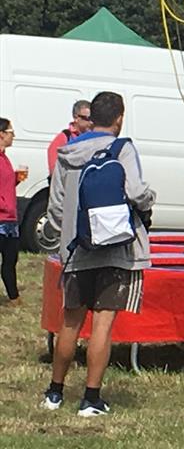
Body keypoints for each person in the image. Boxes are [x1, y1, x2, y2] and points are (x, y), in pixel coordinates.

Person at [42, 91, 156, 416]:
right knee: (102, 325)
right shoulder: (122, 148)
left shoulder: (67, 152)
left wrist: (57, 243)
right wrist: (149, 200)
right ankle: (91, 398)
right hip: (115, 248)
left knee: (70, 322)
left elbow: (57, 207)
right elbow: (135, 191)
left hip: (77, 247)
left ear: (91, 118)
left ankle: (54, 393)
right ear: (119, 117)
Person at [0, 118, 21, 304]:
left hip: (10, 219)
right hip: (1, 219)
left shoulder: (5, 157)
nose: (13, 135)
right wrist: (3, 205)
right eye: (11, 131)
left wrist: (15, 179)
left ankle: (13, 296)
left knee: (11, 259)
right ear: (1, 134)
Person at [45, 99, 92, 176]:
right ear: (76, 118)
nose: (91, 122)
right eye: (87, 118)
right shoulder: (64, 137)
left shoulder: (93, 136)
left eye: (92, 118)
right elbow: (53, 168)